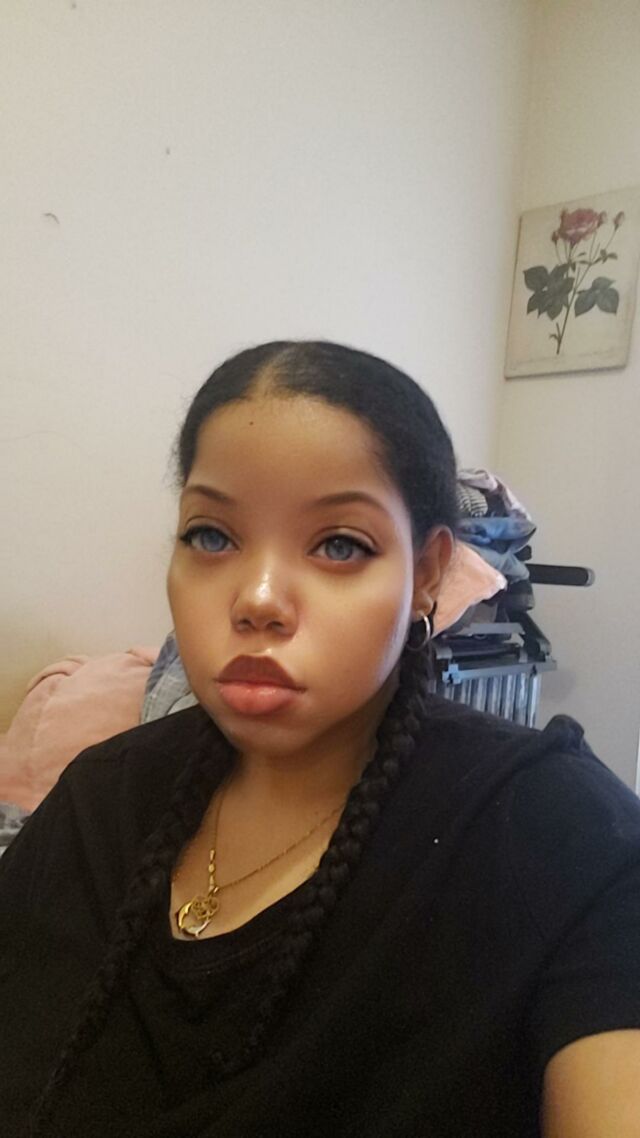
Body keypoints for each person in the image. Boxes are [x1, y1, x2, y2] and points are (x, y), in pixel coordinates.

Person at [1, 339, 640, 1138]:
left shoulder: (556, 832)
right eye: (211, 536)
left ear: (428, 574)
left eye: (341, 545)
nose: (258, 600)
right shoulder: (97, 803)